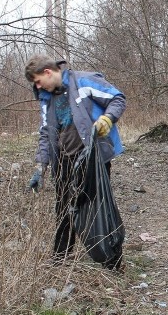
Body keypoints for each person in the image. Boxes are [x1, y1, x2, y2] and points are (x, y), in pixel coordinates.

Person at [24, 55, 126, 268]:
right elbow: (46, 133)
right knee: (63, 207)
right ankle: (60, 258)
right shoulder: (46, 98)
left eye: (37, 80)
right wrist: (40, 167)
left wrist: (107, 119)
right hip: (63, 160)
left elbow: (117, 99)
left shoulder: (84, 81)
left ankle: (112, 259)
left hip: (91, 157)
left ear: (47, 72)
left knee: (97, 204)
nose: (37, 86)